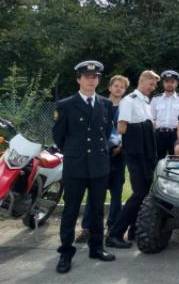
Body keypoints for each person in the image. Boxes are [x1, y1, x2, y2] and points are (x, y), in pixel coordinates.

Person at [53, 60, 116, 274]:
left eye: (95, 77)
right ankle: (66, 252)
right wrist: (74, 151)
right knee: (70, 210)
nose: (91, 80)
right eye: (87, 77)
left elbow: (105, 133)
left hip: (99, 165)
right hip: (76, 165)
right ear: (78, 79)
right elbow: (59, 136)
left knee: (97, 210)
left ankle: (96, 248)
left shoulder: (106, 104)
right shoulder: (65, 105)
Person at [106, 70, 160, 249]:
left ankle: (134, 230)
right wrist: (146, 127)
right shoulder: (129, 101)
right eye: (151, 84)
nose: (153, 87)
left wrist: (149, 127)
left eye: (155, 85)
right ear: (142, 81)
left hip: (145, 153)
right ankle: (115, 233)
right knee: (139, 193)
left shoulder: (146, 102)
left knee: (144, 192)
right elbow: (121, 128)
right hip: (134, 153)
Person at [76, 75, 130, 244]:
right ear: (110, 87)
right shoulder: (98, 104)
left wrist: (121, 147)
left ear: (125, 90)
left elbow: (129, 131)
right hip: (99, 155)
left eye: (122, 87)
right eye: (116, 86)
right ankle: (87, 228)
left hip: (118, 155)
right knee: (94, 193)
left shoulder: (127, 107)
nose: (118, 89)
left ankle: (112, 227)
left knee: (116, 192)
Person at [151, 70, 179, 160]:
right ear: (163, 83)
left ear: (176, 84)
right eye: (167, 82)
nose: (169, 84)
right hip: (159, 134)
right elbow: (151, 118)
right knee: (156, 160)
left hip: (176, 134)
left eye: (172, 82)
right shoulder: (156, 99)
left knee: (175, 161)